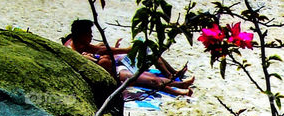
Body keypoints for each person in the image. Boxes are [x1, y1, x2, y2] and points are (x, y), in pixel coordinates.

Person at [63, 19, 194, 96]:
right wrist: (127, 50)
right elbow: (100, 52)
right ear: (80, 35)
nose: (91, 36)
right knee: (151, 80)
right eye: (89, 34)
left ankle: (179, 83)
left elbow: (100, 49)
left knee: (149, 74)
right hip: (113, 76)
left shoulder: (80, 44)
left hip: (113, 68)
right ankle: (179, 91)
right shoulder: (72, 50)